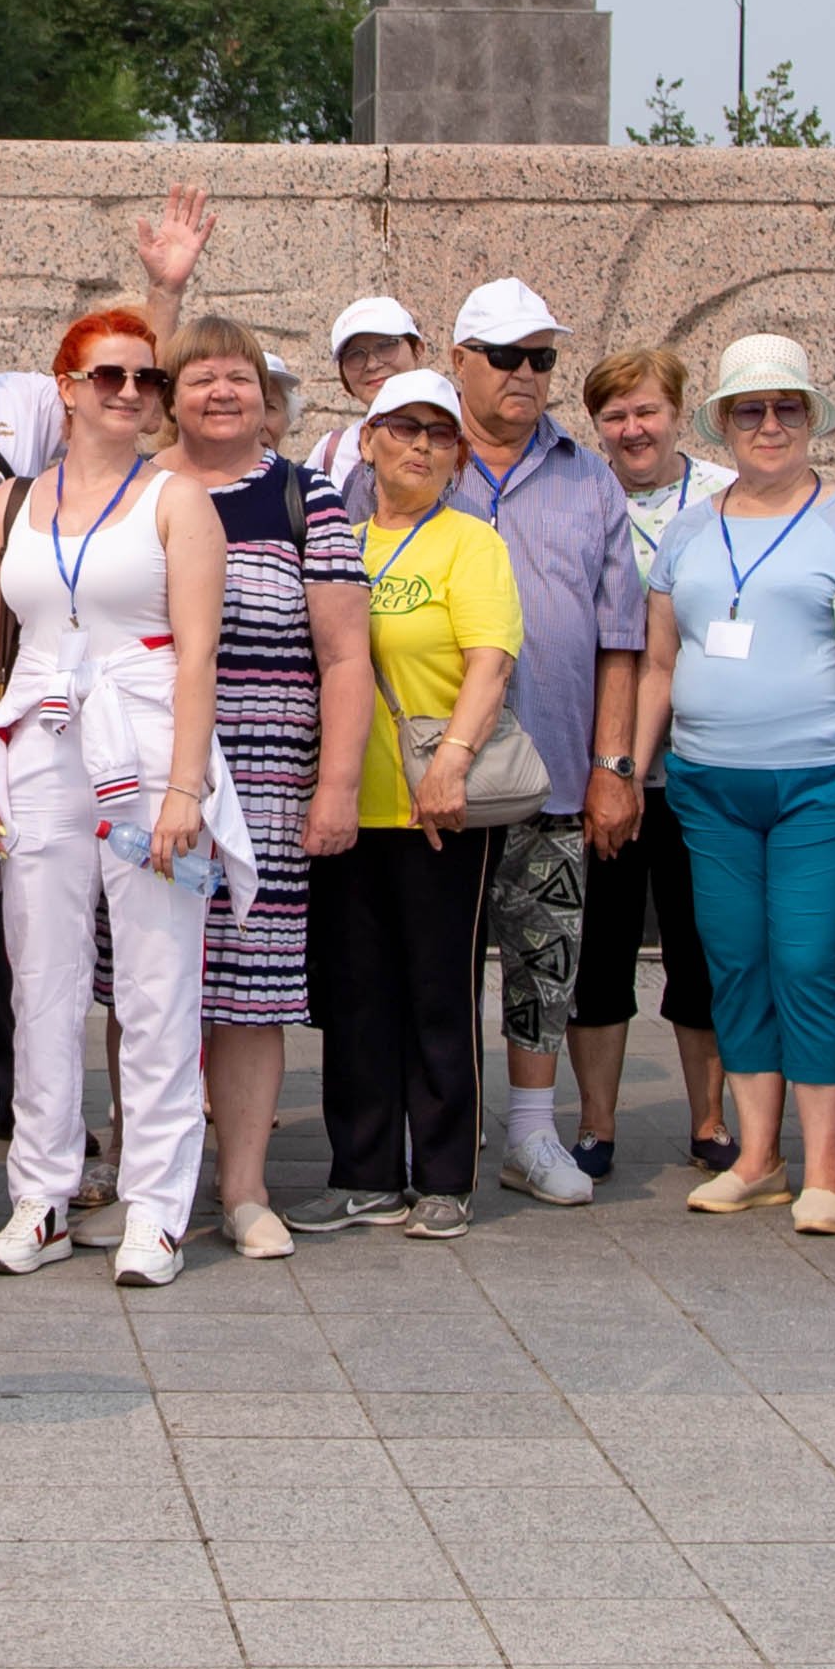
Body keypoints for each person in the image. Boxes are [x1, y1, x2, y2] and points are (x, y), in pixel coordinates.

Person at [0, 303, 224, 1284]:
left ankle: (155, 1204)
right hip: (37, 740)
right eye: (107, 376)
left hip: (145, 739)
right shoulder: (13, 501)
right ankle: (42, 1192)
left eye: (144, 380)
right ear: (64, 387)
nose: (127, 394)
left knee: (156, 979)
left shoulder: (176, 498)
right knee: (39, 975)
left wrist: (185, 786)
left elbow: (199, 652)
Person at [634, 334, 835, 1228]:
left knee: (805, 961)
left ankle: (826, 1171)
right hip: (709, 784)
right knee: (736, 965)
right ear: (722, 421)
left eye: (787, 408)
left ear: (810, 418)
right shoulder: (687, 525)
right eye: (751, 410)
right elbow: (658, 661)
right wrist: (629, 768)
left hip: (823, 781)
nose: (770, 425)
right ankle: (758, 1157)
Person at [414, 277, 652, 1216]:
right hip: (431, 767)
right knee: (436, 957)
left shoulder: (587, 475)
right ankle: (436, 1122)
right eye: (506, 356)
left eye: (542, 357)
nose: (525, 374)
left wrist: (613, 764)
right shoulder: (412, 456)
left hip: (551, 762)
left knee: (542, 958)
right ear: (459, 359)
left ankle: (528, 1130)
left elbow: (619, 636)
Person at [173, 305, 367, 1263]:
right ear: (169, 395)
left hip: (265, 775)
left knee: (252, 993)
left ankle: (243, 1187)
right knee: (150, 982)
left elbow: (342, 656)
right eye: (200, 375)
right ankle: (149, 1177)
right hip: (144, 778)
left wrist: (336, 785)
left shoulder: (306, 495)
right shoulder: (135, 491)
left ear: (267, 399)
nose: (220, 391)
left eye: (237, 377)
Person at [315, 370, 526, 1237]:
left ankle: (444, 1173)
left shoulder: (470, 542)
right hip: (345, 805)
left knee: (438, 990)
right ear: (365, 441)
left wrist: (453, 763)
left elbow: (491, 661)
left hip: (434, 806)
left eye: (440, 434)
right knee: (355, 995)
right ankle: (362, 1170)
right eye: (403, 428)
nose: (421, 446)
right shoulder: (340, 541)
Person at [574, 346, 725, 1178]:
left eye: (646, 411)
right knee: (600, 948)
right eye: (614, 416)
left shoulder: (722, 500)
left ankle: (708, 1121)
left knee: (699, 949)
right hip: (601, 759)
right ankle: (596, 1125)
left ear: (677, 412)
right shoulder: (583, 494)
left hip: (697, 763)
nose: (633, 429)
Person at [303, 294, 421, 485]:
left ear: (418, 349)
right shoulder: (332, 453)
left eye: (386, 346)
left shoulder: (458, 438)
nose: (372, 364)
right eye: (355, 355)